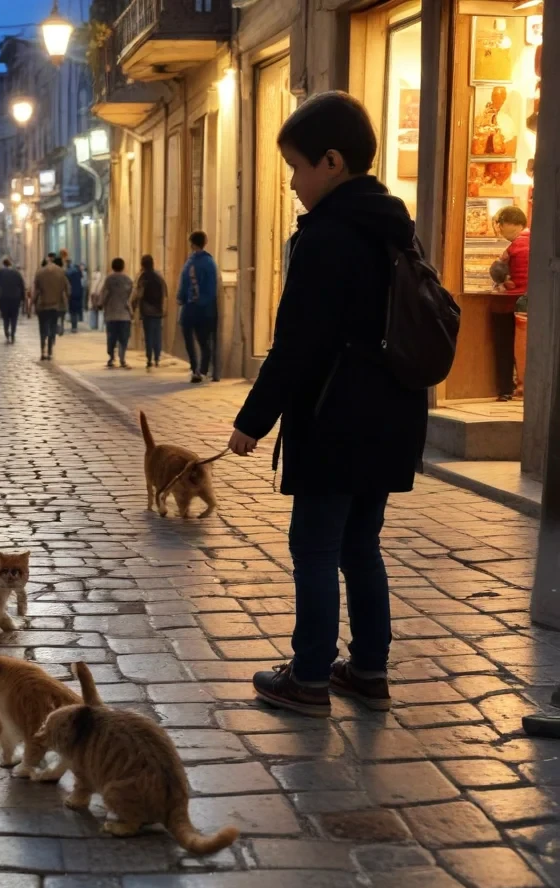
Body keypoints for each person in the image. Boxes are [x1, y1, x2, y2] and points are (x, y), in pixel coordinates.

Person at [226, 90, 427, 718]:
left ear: (332, 163)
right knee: (361, 546)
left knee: (314, 548)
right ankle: (369, 668)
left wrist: (250, 423)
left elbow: (298, 346)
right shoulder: (395, 226)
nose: (292, 183)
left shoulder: (325, 238)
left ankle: (309, 678)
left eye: (296, 167)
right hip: (393, 414)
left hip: (335, 417)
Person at [489, 205, 530, 400]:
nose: (500, 230)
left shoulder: (514, 247)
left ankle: (506, 390)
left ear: (508, 224)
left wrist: (503, 282)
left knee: (505, 347)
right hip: (533, 305)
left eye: (500, 225)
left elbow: (497, 271)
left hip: (510, 304)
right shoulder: (537, 241)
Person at [176, 231, 218, 384]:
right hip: (203, 308)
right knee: (203, 341)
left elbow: (184, 282)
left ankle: (196, 368)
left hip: (192, 307)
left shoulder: (191, 262)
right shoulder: (210, 262)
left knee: (190, 338)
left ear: (192, 243)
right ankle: (202, 369)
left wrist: (181, 298)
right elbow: (212, 287)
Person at [132, 254, 167, 370]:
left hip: (146, 311)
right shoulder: (159, 276)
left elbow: (138, 294)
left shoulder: (142, 277)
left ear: (142, 264)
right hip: (158, 310)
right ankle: (157, 358)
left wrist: (134, 306)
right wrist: (164, 308)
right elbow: (165, 292)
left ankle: (149, 359)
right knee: (157, 335)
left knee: (148, 336)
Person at [33, 254, 69, 360]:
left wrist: (32, 304)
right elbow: (67, 290)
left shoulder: (39, 273)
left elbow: (36, 291)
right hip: (55, 305)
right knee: (52, 327)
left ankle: (42, 350)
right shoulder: (61, 272)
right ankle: (50, 350)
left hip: (42, 305)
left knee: (42, 328)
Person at [100, 257, 134, 369]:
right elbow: (130, 297)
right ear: (123, 266)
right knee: (123, 338)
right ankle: (122, 358)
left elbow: (105, 294)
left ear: (112, 266)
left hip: (111, 314)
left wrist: (101, 304)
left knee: (111, 337)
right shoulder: (128, 280)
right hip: (124, 314)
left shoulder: (109, 279)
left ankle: (111, 358)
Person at [0, 257, 25, 344]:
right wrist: (22, 298)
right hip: (15, 298)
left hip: (4, 298)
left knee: (6, 317)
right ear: (10, 264)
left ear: (3, 264)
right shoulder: (16, 273)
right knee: (14, 317)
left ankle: (6, 332)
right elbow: (22, 286)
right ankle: (13, 333)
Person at [65, 259, 84, 333]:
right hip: (78, 294)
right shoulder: (79, 274)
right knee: (75, 312)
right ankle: (75, 326)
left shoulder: (69, 274)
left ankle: (74, 326)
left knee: (72, 311)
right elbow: (82, 285)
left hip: (71, 294)